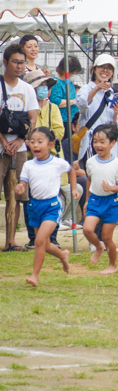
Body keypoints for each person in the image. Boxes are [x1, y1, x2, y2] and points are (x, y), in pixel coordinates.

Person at [19, 127, 79, 286]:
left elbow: (71, 170)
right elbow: (23, 182)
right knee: (44, 244)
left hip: (52, 206)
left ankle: (35, 276)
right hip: (34, 207)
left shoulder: (57, 163)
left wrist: (73, 188)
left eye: (40, 142)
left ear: (50, 144)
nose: (35, 145)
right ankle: (62, 256)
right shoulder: (28, 165)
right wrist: (20, 187)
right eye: (32, 142)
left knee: (39, 241)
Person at [0, 44, 38, 252]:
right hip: (1, 148)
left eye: (22, 63)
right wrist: (4, 142)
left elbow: (33, 118)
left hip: (20, 149)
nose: (19, 66)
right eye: (15, 62)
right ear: (5, 62)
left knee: (16, 195)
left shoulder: (28, 89)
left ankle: (11, 241)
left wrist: (21, 140)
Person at [23, 69, 65, 249]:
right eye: (39, 86)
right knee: (31, 200)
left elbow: (60, 131)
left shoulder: (53, 108)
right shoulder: (26, 109)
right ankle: (34, 236)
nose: (43, 89)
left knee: (52, 198)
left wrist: (41, 139)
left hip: (52, 160)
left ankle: (52, 236)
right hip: (32, 161)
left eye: (45, 86)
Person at [79, 123, 118, 276]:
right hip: (95, 201)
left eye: (102, 141)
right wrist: (87, 201)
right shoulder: (91, 161)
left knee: (107, 237)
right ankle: (98, 247)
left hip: (112, 203)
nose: (98, 145)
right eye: (95, 141)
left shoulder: (117, 164)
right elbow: (89, 181)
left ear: (112, 143)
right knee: (87, 229)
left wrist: (111, 188)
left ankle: (112, 264)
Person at [76, 54, 118, 161]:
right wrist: (96, 89)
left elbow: (113, 123)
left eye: (109, 68)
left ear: (112, 73)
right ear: (94, 70)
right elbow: (82, 105)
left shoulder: (112, 92)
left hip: (108, 142)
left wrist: (116, 113)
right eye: (101, 67)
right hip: (92, 140)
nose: (105, 70)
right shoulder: (86, 88)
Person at [49, 56, 80, 130]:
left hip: (72, 119)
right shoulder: (56, 83)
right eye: (72, 72)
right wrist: (74, 101)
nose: (73, 74)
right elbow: (56, 102)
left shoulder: (68, 81)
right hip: (63, 121)